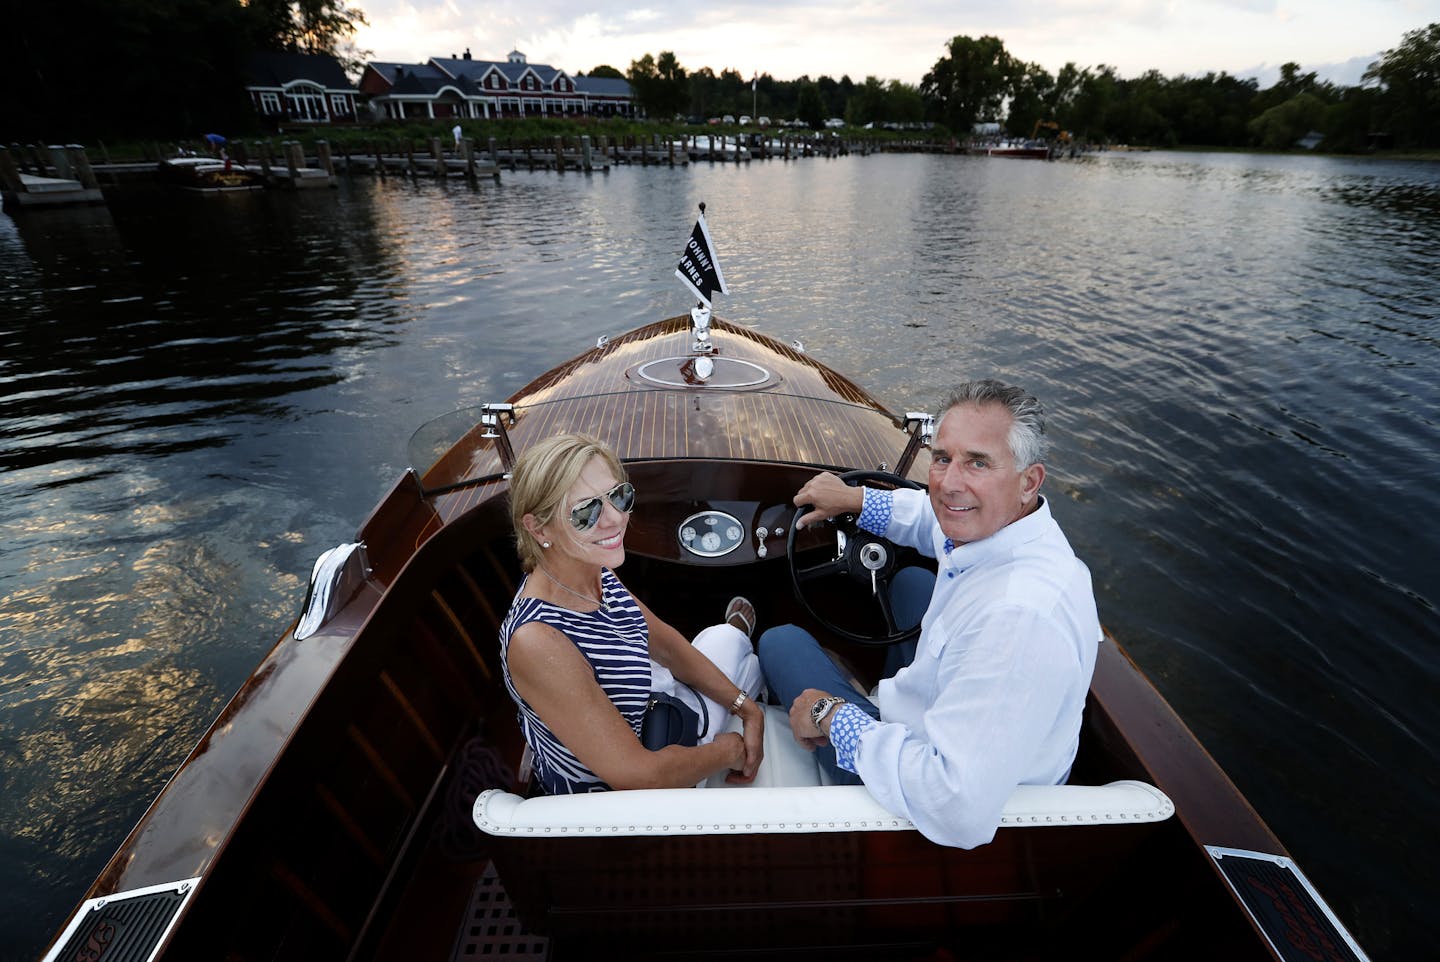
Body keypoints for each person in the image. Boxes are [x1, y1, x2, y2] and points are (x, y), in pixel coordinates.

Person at [758, 379, 1101, 848]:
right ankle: (873, 698)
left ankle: (854, 700)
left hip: (921, 803)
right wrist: (857, 500)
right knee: (913, 581)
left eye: (977, 462)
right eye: (942, 458)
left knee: (781, 642)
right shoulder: (1007, 525)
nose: (949, 483)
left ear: (1029, 481)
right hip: (949, 720)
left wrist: (831, 715)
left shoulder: (1019, 620)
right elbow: (934, 517)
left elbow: (953, 807)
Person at [500, 432, 765, 794]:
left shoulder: (591, 570)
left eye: (618, 496)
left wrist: (747, 709)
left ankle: (736, 643)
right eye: (586, 512)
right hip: (623, 806)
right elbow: (640, 776)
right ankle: (739, 637)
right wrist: (728, 752)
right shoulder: (538, 640)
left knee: (723, 642)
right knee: (734, 646)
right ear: (539, 528)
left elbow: (667, 647)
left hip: (649, 717)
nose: (614, 519)